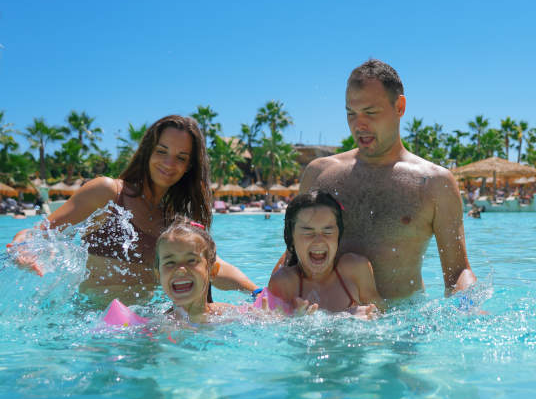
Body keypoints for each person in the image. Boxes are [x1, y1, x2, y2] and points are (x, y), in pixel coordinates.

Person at [277, 59, 476, 300]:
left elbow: (458, 272)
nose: (359, 125)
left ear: (400, 107)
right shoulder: (319, 174)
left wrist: (470, 306)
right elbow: (293, 255)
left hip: (400, 326)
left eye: (371, 112)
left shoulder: (434, 183)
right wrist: (267, 301)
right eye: (351, 113)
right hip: (325, 321)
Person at [9, 115, 256, 301]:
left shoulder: (176, 222)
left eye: (181, 157)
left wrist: (256, 291)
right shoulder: (109, 193)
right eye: (162, 151)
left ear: (189, 166)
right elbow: (40, 231)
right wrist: (24, 249)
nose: (169, 163)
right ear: (147, 152)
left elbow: (213, 266)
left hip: (143, 325)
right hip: (91, 325)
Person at [268, 191, 379, 318]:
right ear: (291, 237)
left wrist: (372, 317)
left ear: (339, 234)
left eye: (328, 231)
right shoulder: (284, 283)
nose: (319, 240)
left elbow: (383, 313)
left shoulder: (356, 269)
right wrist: (296, 322)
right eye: (307, 232)